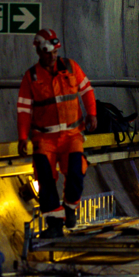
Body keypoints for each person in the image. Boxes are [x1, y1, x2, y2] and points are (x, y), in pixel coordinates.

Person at [17, 29, 97, 238]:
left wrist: (92, 114)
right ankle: (54, 225)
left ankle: (70, 208)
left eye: (54, 52)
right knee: (45, 178)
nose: (52, 56)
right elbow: (24, 109)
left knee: (76, 172)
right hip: (45, 139)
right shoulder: (31, 77)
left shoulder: (71, 68)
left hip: (71, 136)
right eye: (47, 52)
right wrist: (22, 137)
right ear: (38, 52)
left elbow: (86, 90)